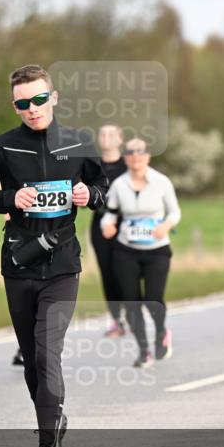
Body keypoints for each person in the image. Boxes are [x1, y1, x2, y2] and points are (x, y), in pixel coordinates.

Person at [0, 64, 108, 447]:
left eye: (39, 100)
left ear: (54, 97)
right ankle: (53, 419)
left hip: (63, 263)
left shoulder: (79, 141)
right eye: (23, 103)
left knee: (48, 352)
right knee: (31, 356)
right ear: (15, 106)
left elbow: (103, 189)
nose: (32, 109)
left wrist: (89, 195)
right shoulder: (2, 146)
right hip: (19, 261)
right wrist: (9, 197)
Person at [101, 138, 181, 367]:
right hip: (126, 250)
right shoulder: (119, 184)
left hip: (157, 250)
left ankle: (160, 333)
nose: (135, 156)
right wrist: (107, 225)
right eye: (131, 152)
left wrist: (166, 226)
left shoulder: (161, 182)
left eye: (140, 152)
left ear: (148, 156)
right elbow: (110, 213)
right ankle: (144, 349)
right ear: (125, 157)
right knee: (131, 302)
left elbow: (175, 212)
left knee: (153, 299)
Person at [90, 124, 129, 338]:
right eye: (102, 133)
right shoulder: (92, 166)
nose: (106, 138)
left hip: (127, 225)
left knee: (127, 271)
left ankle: (133, 313)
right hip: (100, 225)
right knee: (108, 273)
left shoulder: (129, 165)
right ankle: (117, 321)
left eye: (111, 134)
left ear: (120, 139)